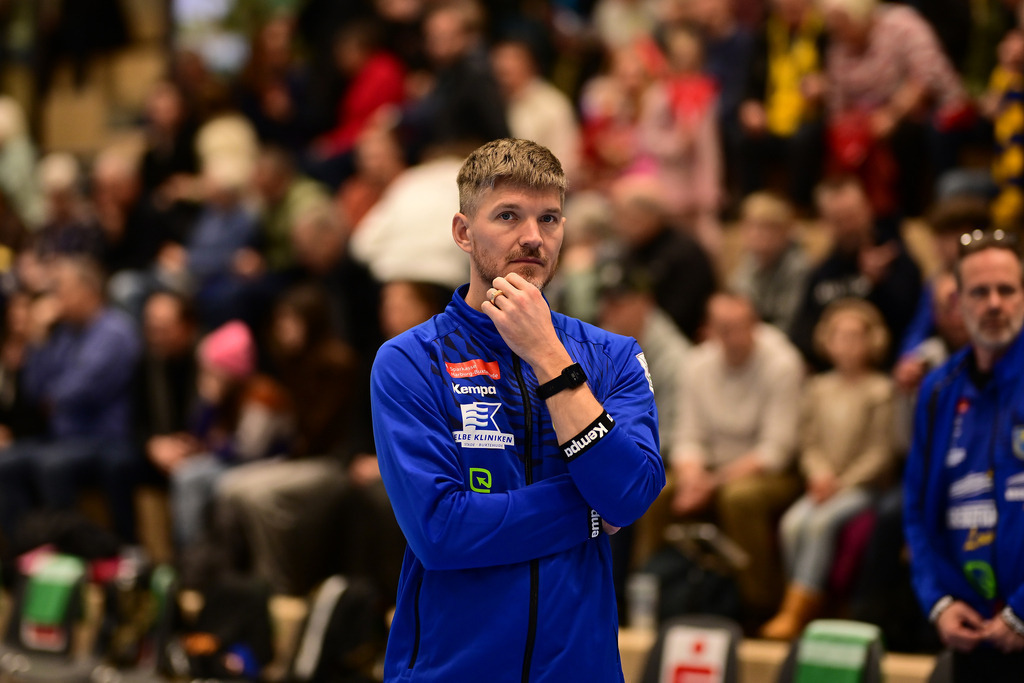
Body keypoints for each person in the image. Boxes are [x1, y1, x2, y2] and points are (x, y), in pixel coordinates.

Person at [370, 138, 665, 681]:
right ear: (463, 232)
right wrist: (594, 514)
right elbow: (442, 531)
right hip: (449, 669)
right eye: (508, 215)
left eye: (549, 219)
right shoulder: (410, 361)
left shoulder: (613, 356)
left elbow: (633, 492)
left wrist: (550, 357)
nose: (533, 237)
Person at [904, 234, 1024, 680]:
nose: (994, 303)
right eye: (979, 291)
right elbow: (918, 512)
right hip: (971, 633)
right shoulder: (938, 389)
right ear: (958, 302)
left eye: (1007, 290)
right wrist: (938, 602)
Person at [761, 298, 896, 639]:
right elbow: (809, 444)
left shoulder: (881, 390)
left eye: (855, 336)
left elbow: (881, 452)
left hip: (862, 487)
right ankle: (804, 602)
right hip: (824, 483)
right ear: (827, 340)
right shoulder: (818, 388)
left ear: (873, 340)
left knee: (820, 524)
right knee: (793, 524)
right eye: (839, 335)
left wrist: (842, 482)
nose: (847, 344)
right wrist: (819, 474)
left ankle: (798, 610)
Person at [669, 292, 804, 620]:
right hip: (710, 467)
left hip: (771, 473)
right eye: (723, 328)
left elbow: (777, 450)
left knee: (739, 498)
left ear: (755, 325)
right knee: (657, 490)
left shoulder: (783, 363)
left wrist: (711, 483)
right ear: (709, 330)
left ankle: (758, 606)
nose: (731, 337)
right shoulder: (696, 363)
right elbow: (686, 436)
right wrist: (692, 477)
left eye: (738, 327)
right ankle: (659, 596)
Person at [0, 257, 142, 543]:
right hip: (64, 438)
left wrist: (53, 396)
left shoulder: (114, 331)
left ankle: (72, 548)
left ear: (87, 291)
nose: (57, 299)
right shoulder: (65, 334)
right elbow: (35, 389)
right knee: (5, 463)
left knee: (51, 464)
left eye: (62, 289)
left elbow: (79, 390)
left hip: (104, 438)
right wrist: (37, 337)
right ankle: (25, 550)